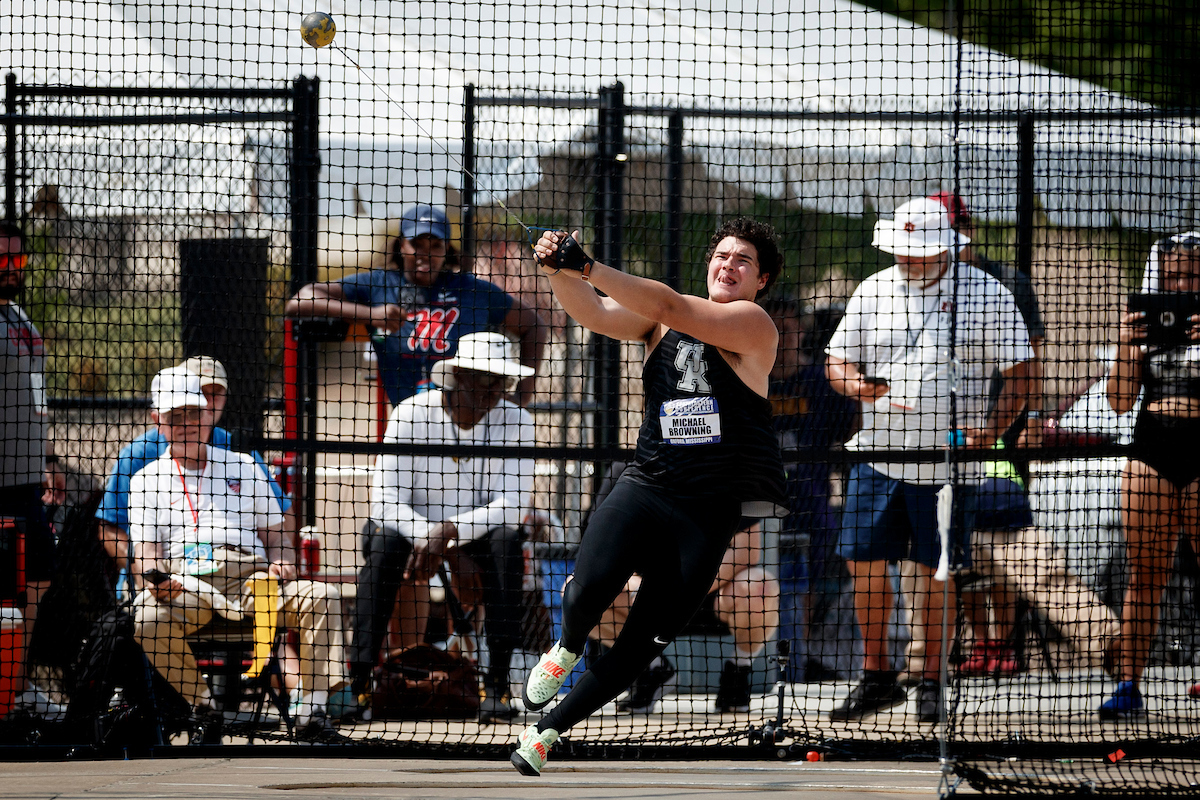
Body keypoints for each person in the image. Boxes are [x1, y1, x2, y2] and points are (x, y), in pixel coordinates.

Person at [513, 218, 787, 776]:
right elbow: (590, 312)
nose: (728, 265)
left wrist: (587, 264)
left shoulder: (753, 325)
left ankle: (547, 733)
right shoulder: (657, 321)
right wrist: (557, 268)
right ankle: (565, 646)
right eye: (722, 256)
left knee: (641, 643)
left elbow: (669, 306)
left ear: (762, 281)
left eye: (743, 261)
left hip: (705, 514)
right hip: (648, 485)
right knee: (587, 586)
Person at [824, 196, 1033, 724]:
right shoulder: (872, 289)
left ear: (949, 247)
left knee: (936, 571)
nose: (909, 260)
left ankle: (933, 680)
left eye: (920, 252)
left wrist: (991, 431)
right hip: (878, 454)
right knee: (862, 564)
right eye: (902, 251)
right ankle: (876, 677)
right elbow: (837, 360)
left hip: (948, 463)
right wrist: (858, 387)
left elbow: (1024, 372)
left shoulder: (986, 294)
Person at [128, 366, 348, 741]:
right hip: (189, 586)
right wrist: (156, 580)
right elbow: (146, 554)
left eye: (194, 413)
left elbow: (278, 536)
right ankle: (204, 710)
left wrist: (284, 559)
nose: (187, 423)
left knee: (324, 597)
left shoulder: (243, 465)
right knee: (145, 617)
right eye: (175, 416)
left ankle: (311, 714)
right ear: (157, 420)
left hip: (253, 582)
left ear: (208, 414)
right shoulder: (146, 478)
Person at [351, 331, 536, 725]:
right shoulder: (410, 413)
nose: (496, 392)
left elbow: (513, 507)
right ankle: (360, 683)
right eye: (487, 380)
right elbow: (383, 500)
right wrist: (434, 540)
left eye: (503, 382)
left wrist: (449, 534)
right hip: (409, 531)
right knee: (383, 545)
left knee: (506, 546)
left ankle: (497, 687)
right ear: (457, 376)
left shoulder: (520, 421)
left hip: (473, 534)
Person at [924, 192, 1047, 679]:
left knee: (1002, 533)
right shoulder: (930, 283)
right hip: (946, 428)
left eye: (954, 230)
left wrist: (1033, 417)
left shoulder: (1007, 281)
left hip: (1004, 428)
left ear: (968, 230)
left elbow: (1033, 357)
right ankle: (981, 643)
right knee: (957, 539)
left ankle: (1004, 643)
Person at [284, 204, 548, 406]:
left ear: (447, 250)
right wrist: (370, 314)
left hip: (468, 419)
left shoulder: (472, 290)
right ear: (401, 246)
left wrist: (522, 397)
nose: (426, 253)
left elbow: (533, 325)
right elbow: (301, 300)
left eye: (435, 245)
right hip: (408, 423)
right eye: (417, 244)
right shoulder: (379, 283)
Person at [584, 462, 779, 714]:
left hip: (711, 595)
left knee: (761, 586)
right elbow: (605, 544)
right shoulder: (626, 469)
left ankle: (737, 672)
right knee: (579, 593)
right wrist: (642, 583)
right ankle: (652, 669)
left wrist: (686, 586)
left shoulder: (729, 469)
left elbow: (745, 552)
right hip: (645, 597)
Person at [1102, 231, 1200, 719]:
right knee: (1144, 576)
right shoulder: (1146, 321)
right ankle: (1127, 685)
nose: (1181, 283)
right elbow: (1119, 401)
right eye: (1174, 274)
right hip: (1153, 446)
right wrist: (1126, 344)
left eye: (1192, 275)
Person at [96, 356, 291, 590]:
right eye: (200, 391)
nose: (208, 401)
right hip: (170, 577)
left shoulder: (241, 454)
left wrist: (279, 561)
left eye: (215, 394)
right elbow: (109, 529)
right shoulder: (137, 456)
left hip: (243, 575)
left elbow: (282, 518)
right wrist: (145, 572)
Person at [766, 299, 860, 682]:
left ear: (802, 333)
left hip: (810, 500)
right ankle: (767, 662)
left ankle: (796, 664)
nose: (784, 337)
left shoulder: (820, 381)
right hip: (761, 497)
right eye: (777, 329)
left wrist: (856, 381)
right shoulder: (752, 375)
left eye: (790, 329)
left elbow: (849, 428)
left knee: (803, 581)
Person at [0, 220, 63, 721]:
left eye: (17, 259)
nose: (11, 268)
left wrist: (49, 460)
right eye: (2, 259)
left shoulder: (18, 315)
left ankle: (17, 690)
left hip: (27, 480)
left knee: (37, 582)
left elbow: (36, 398)